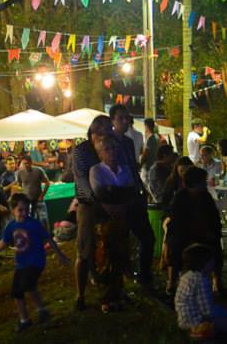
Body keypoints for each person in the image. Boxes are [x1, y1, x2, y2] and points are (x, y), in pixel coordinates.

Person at [0, 192, 70, 331]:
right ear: (13, 210)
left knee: (25, 285)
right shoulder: (11, 227)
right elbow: (2, 243)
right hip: (21, 263)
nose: (24, 213)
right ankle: (28, 317)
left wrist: (60, 255)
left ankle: (34, 315)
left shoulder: (34, 224)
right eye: (20, 210)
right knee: (18, 291)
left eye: (26, 209)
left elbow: (48, 238)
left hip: (36, 261)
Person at [109, 103, 155, 287]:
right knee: (122, 238)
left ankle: (144, 274)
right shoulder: (108, 143)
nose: (124, 121)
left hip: (134, 193)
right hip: (119, 197)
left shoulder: (129, 142)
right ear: (112, 120)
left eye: (126, 117)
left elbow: (133, 166)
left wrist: (141, 187)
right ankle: (123, 276)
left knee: (147, 237)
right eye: (120, 118)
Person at [90, 131, 135, 312]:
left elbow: (130, 193)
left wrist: (114, 193)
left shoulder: (125, 169)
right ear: (100, 153)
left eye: (114, 148)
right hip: (105, 222)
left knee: (121, 256)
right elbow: (101, 195)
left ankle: (119, 292)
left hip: (123, 220)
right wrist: (117, 194)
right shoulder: (96, 171)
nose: (112, 152)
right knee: (105, 259)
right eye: (107, 149)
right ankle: (107, 298)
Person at [164, 167, 222, 295]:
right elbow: (176, 223)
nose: (205, 184)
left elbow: (214, 218)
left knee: (215, 244)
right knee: (175, 245)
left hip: (203, 233)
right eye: (203, 181)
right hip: (184, 234)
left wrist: (212, 232)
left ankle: (217, 281)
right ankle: (172, 281)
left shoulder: (205, 197)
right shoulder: (179, 198)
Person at [174, 243, 227, 342]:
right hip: (196, 323)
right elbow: (208, 311)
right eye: (211, 260)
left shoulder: (187, 276)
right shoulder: (201, 280)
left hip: (184, 320)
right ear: (203, 263)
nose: (214, 263)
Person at [72, 116, 104, 311]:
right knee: (84, 249)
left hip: (109, 203)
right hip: (88, 204)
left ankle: (108, 288)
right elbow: (81, 178)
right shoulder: (82, 151)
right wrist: (95, 199)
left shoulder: (112, 145)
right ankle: (80, 294)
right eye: (101, 130)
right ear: (92, 133)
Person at [15, 156, 50, 225]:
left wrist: (42, 195)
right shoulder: (20, 173)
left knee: (43, 219)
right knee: (28, 219)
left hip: (38, 199)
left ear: (31, 163)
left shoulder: (38, 170)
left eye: (27, 163)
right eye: (24, 164)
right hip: (26, 200)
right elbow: (18, 186)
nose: (26, 165)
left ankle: (45, 234)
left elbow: (47, 183)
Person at [140, 117, 161, 185]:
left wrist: (140, 164)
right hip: (154, 166)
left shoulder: (150, 138)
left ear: (146, 126)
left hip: (147, 167)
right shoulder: (157, 137)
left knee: (145, 186)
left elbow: (146, 153)